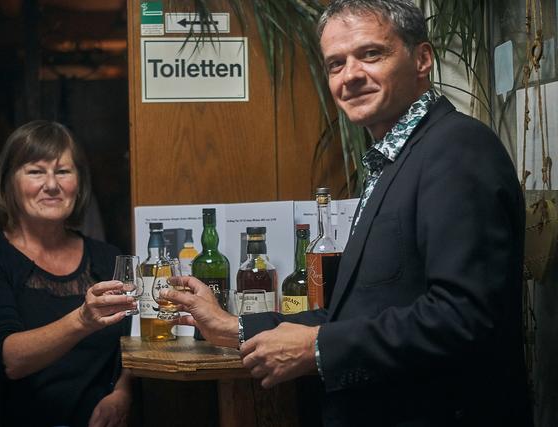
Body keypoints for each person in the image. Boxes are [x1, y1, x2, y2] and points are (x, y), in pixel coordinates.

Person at [163, 1, 532, 425]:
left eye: (371, 54)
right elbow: (356, 313)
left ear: (422, 59)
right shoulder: (393, 160)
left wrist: (318, 348)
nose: (350, 75)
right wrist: (233, 327)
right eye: (335, 64)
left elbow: (464, 318)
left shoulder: (458, 149)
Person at [0, 120, 135, 427]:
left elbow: (135, 342)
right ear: (9, 182)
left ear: (79, 183)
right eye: (36, 172)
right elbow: (10, 360)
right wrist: (82, 320)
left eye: (63, 171)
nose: (51, 185)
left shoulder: (108, 259)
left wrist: (123, 393)